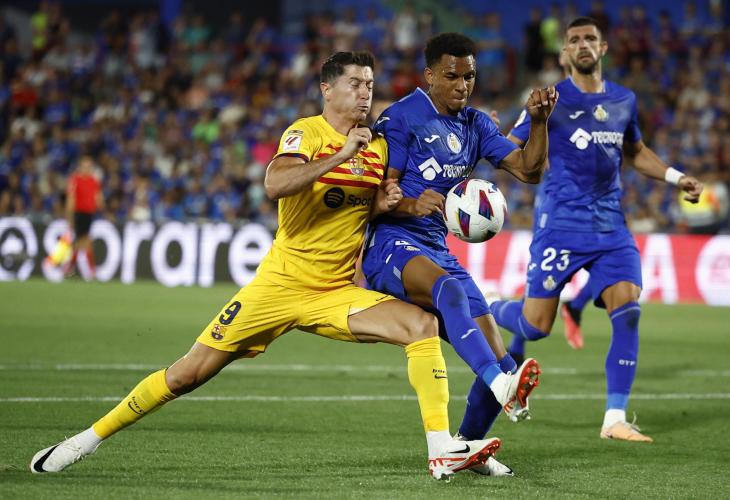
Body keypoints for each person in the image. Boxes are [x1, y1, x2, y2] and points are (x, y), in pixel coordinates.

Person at [30, 51, 509, 481]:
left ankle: (440, 448)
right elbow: (275, 184)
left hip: (335, 292)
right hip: (278, 287)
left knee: (421, 326)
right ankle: (85, 440)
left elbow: (386, 199)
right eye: (355, 83)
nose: (365, 92)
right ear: (327, 89)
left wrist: (393, 199)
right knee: (187, 375)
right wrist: (341, 155)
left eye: (369, 84)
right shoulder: (307, 132)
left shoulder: (379, 147)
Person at [490, 17, 703, 443]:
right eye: (574, 40)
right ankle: (491, 306)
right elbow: (511, 150)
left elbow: (635, 152)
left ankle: (614, 418)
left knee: (628, 308)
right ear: (565, 53)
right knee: (536, 326)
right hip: (560, 227)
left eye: (590, 38)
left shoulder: (624, 100)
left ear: (603, 48)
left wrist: (677, 177)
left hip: (610, 228)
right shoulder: (549, 100)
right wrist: (492, 134)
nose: (583, 44)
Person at [362, 33, 557, 475]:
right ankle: (501, 386)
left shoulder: (475, 125)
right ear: (430, 75)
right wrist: (411, 204)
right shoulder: (402, 117)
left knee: (503, 357)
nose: (462, 85)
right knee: (452, 295)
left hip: (436, 249)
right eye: (452, 76)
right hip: (392, 243)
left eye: (469, 76)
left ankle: (466, 448)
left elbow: (529, 171)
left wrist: (539, 122)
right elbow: (377, 195)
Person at [63, 155, 104, 279]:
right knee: (85, 242)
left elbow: (98, 198)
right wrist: (69, 217)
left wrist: (101, 205)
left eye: (89, 166)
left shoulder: (93, 181)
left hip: (89, 215)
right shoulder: (75, 180)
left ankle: (69, 268)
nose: (87, 169)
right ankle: (91, 272)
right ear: (80, 167)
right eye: (85, 166)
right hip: (79, 214)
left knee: (81, 243)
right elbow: (71, 199)